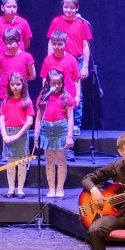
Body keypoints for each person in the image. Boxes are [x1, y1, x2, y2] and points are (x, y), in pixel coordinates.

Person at [46, 0, 93, 136]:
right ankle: (60, 121)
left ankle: (76, 124)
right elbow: (51, 42)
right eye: (65, 7)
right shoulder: (56, 21)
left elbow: (85, 46)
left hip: (76, 60)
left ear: (77, 8)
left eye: (71, 8)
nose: (68, 10)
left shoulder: (82, 24)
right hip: (59, 59)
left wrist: (85, 66)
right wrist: (50, 61)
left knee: (76, 93)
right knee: (57, 90)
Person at [40, 29, 81, 162]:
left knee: (68, 122)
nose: (57, 47)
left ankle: (68, 149)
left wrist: (78, 95)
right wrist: (45, 93)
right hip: (53, 97)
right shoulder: (48, 60)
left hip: (68, 97)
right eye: (54, 44)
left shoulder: (71, 59)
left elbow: (76, 79)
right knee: (54, 122)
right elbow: (44, 78)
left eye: (60, 44)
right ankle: (51, 149)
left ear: (65, 43)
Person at [33, 69, 74, 198]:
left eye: (59, 83)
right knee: (49, 160)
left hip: (61, 129)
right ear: (48, 83)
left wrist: (69, 136)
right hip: (46, 130)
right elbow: (38, 118)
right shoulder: (43, 98)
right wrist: (36, 135)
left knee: (61, 159)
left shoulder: (66, 97)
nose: (56, 86)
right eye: (53, 83)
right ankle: (51, 188)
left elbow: (70, 117)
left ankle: (60, 188)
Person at [0, 0, 33, 105]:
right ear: (2, 7)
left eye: (14, 6)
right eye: (9, 6)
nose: (12, 9)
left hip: (19, 67)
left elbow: (27, 43)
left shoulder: (23, 23)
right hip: (1, 66)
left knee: (20, 96)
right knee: (1, 97)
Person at [0, 72, 35, 198]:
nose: (15, 87)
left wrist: (18, 135)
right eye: (12, 84)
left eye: (18, 84)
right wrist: (4, 135)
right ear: (9, 85)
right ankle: (11, 188)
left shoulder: (26, 101)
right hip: (8, 132)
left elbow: (29, 121)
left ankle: (20, 189)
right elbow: (2, 118)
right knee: (10, 162)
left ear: (23, 85)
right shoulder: (6, 101)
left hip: (21, 134)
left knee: (21, 162)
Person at [0, 28, 36, 107]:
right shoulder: (1, 58)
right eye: (6, 43)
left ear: (18, 41)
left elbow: (33, 75)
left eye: (11, 43)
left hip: (20, 92)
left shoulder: (26, 56)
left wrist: (20, 82)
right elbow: (0, 74)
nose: (8, 46)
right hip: (4, 94)